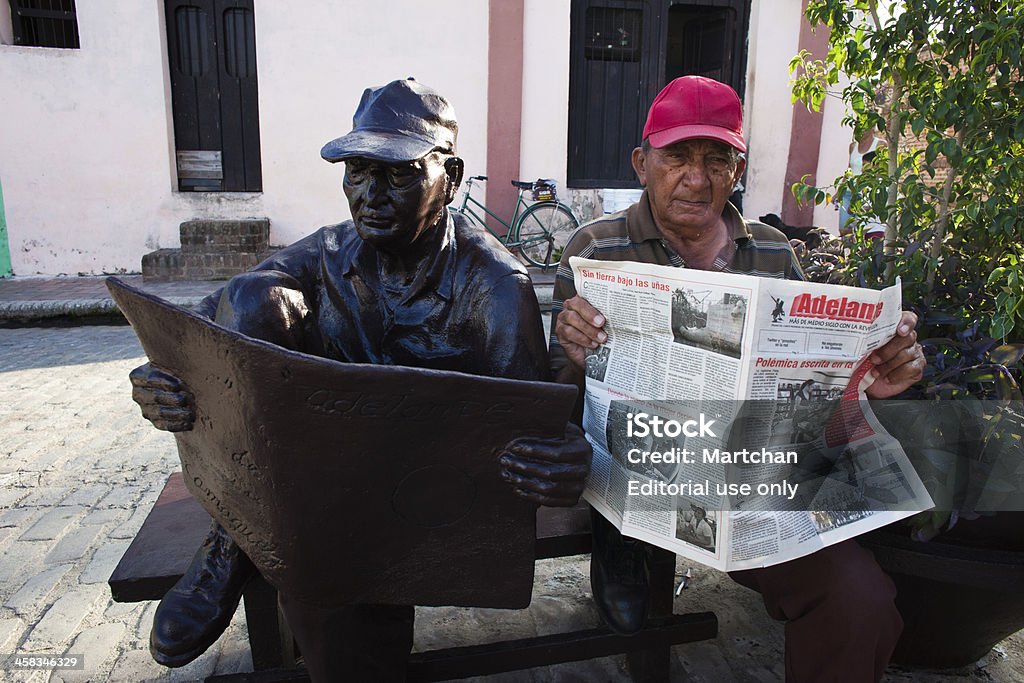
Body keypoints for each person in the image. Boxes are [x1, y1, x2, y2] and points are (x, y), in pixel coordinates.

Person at [130, 78, 591, 681]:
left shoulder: (497, 288)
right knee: (250, 300)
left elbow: (531, 422)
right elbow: (197, 324)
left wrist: (560, 452)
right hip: (315, 484)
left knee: (330, 573)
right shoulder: (326, 251)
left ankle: (278, 559)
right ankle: (233, 539)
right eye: (356, 172)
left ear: (449, 181)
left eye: (398, 175)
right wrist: (163, 373)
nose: (370, 195)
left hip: (425, 493)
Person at [550, 75, 926, 682]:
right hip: (638, 479)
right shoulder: (596, 248)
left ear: (738, 169)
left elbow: (807, 391)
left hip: (755, 481)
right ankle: (620, 549)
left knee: (861, 601)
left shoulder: (775, 252)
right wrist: (572, 348)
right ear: (642, 163)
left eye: (717, 159)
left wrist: (866, 377)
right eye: (677, 157)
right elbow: (560, 400)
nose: (697, 179)